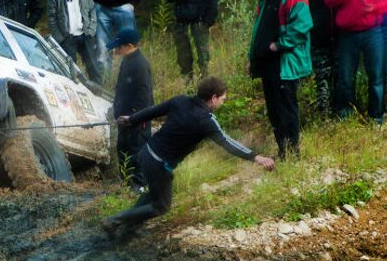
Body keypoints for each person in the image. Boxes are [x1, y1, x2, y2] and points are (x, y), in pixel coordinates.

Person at [102, 77, 275, 238]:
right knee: (161, 205)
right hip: (159, 163)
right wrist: (255, 157)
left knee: (155, 193)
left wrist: (131, 119)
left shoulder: (180, 101)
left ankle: (130, 227)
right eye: (223, 99)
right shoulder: (206, 120)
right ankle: (115, 220)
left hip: (146, 152)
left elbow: (153, 111)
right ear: (213, 98)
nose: (223, 102)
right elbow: (227, 142)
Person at [249, 0, 313, 159]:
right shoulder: (264, 1)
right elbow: (258, 33)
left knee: (287, 110)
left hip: (285, 64)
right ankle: (282, 151)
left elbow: (302, 27)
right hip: (266, 65)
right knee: (273, 112)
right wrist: (253, 59)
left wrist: (279, 44)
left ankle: (293, 154)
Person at [325, 0, 386, 123]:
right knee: (345, 76)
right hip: (347, 34)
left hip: (373, 32)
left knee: (376, 76)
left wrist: (374, 8)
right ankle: (345, 115)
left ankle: (376, 116)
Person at [108, 27, 153, 190]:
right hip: (124, 120)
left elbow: (144, 96)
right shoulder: (127, 61)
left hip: (137, 121)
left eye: (118, 47)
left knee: (137, 153)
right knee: (123, 151)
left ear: (128, 45)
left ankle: (139, 187)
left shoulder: (140, 64)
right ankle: (127, 185)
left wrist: (133, 117)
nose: (116, 50)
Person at [82, 0, 145, 75]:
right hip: (101, 8)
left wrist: (133, 2)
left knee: (128, 45)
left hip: (124, 7)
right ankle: (106, 81)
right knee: (102, 48)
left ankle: (130, 77)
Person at [47, 0, 102, 84]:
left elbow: (92, 11)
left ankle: (100, 95)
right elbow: (51, 19)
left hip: (85, 35)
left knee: (94, 70)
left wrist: (91, 30)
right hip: (67, 38)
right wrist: (60, 37)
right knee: (70, 73)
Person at [164, 0, 217, 79]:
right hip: (181, 25)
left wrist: (207, 22)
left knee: (204, 59)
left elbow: (213, 1)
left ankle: (205, 88)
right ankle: (188, 88)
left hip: (200, 24)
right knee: (184, 59)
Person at [302, 0, 337, 116]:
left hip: (342, 38)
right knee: (322, 78)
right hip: (319, 40)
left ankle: (342, 109)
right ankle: (325, 114)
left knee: (342, 75)